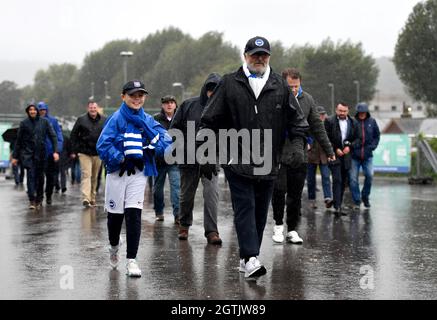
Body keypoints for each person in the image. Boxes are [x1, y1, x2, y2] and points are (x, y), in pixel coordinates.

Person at [200, 37, 308, 278]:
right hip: (235, 158)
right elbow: (208, 120)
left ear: (269, 57)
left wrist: (298, 148)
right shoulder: (229, 83)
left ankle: (247, 257)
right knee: (245, 206)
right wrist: (205, 153)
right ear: (245, 55)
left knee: (260, 210)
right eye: (254, 54)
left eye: (264, 55)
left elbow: (298, 121)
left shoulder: (280, 85)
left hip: (269, 160)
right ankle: (250, 256)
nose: (259, 58)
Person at [97, 80, 171, 277]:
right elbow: (102, 145)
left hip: (138, 173)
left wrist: (150, 147)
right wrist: (120, 158)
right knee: (115, 218)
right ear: (123, 97)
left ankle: (132, 260)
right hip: (117, 173)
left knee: (133, 214)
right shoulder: (115, 119)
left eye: (140, 95)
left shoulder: (147, 120)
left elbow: (165, 141)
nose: (137, 99)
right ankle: (113, 246)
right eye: (132, 95)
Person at [271, 68, 334, 244]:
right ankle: (278, 226)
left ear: (300, 84)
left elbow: (317, 126)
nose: (293, 90)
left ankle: (292, 229)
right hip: (278, 152)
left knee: (295, 194)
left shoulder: (307, 99)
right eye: (289, 86)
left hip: (299, 153)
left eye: (296, 86)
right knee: (279, 190)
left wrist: (329, 151)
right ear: (283, 83)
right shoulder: (275, 97)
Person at [170, 73, 223, 245]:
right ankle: (184, 225)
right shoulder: (188, 105)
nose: (212, 93)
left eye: (216, 90)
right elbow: (174, 129)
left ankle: (212, 231)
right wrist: (182, 148)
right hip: (188, 158)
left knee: (211, 195)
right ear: (205, 89)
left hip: (211, 158)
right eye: (209, 89)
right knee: (186, 196)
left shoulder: (224, 108)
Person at [11, 103, 59, 209]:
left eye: (34, 110)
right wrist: (15, 156)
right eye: (30, 110)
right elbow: (18, 141)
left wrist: (55, 151)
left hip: (41, 153)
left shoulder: (44, 122)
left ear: (37, 111)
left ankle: (39, 198)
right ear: (28, 112)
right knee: (31, 176)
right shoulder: (24, 123)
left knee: (40, 177)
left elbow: (53, 136)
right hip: (28, 154)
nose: (32, 111)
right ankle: (32, 199)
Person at [70, 101, 106, 207]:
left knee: (94, 176)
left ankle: (92, 197)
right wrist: (76, 149)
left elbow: (108, 134)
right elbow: (73, 135)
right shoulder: (81, 120)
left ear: (98, 108)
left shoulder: (104, 120)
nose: (93, 110)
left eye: (94, 108)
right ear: (88, 109)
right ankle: (86, 198)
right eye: (91, 108)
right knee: (87, 175)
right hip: (84, 152)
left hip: (98, 152)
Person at [324, 102, 358, 214]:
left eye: (344, 111)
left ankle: (338, 203)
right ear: (336, 110)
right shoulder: (329, 121)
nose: (342, 113)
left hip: (347, 156)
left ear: (348, 111)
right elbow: (325, 138)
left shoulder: (353, 122)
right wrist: (335, 149)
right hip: (334, 155)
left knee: (343, 181)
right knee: (337, 179)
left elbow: (358, 138)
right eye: (340, 111)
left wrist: (350, 146)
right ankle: (337, 207)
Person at [152, 95, 180, 224]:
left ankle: (177, 214)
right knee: (158, 188)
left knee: (176, 187)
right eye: (166, 103)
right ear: (162, 105)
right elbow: (150, 136)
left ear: (175, 104)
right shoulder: (156, 119)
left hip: (175, 159)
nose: (169, 105)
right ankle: (159, 212)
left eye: (171, 102)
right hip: (159, 160)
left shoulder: (180, 118)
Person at [349, 103, 380, 209]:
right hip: (354, 155)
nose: (362, 114)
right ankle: (357, 201)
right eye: (360, 112)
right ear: (357, 112)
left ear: (367, 112)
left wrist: (373, 146)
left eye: (364, 112)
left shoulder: (372, 122)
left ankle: (365, 197)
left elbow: (377, 136)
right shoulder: (353, 122)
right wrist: (351, 146)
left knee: (370, 175)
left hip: (368, 155)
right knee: (353, 179)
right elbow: (348, 135)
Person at [307, 106, 334, 208]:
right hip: (311, 155)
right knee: (311, 179)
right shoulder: (309, 126)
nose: (321, 116)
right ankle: (312, 199)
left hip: (324, 156)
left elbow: (331, 139)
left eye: (323, 114)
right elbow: (305, 137)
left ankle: (328, 198)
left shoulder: (328, 125)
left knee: (326, 176)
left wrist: (330, 152)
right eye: (319, 114)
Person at [37, 102, 63, 205]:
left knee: (50, 177)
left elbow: (59, 137)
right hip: (39, 154)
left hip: (51, 153)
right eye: (40, 110)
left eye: (44, 110)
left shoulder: (53, 121)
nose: (42, 111)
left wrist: (57, 151)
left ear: (46, 110)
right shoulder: (35, 121)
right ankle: (39, 196)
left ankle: (48, 195)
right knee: (39, 177)